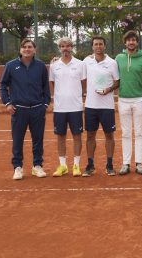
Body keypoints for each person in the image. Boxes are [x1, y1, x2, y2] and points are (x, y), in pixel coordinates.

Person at [0, 39, 51, 180]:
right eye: (24, 47)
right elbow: (3, 85)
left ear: (34, 50)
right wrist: (7, 103)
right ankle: (18, 168)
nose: (27, 49)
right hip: (19, 110)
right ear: (20, 50)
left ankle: (37, 166)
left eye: (30, 47)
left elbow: (46, 86)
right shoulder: (11, 66)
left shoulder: (40, 66)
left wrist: (45, 104)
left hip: (37, 110)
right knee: (17, 140)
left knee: (38, 140)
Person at [115, 30, 142, 175]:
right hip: (123, 100)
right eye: (128, 40)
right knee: (125, 133)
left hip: (139, 101)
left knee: (139, 133)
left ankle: (139, 163)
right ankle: (125, 164)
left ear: (137, 42)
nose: (131, 42)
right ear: (125, 43)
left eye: (134, 40)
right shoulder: (118, 58)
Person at [82, 36, 120, 177]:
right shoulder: (87, 61)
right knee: (90, 135)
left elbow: (117, 82)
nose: (98, 46)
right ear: (92, 47)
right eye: (95, 44)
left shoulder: (112, 63)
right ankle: (90, 165)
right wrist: (56, 60)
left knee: (109, 135)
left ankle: (109, 165)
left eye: (100, 44)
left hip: (107, 106)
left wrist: (108, 90)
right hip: (91, 106)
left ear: (104, 46)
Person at [49, 37, 86, 177]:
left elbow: (83, 83)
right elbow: (53, 84)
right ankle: (63, 165)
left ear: (72, 47)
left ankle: (76, 165)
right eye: (62, 46)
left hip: (76, 107)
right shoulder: (54, 66)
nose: (65, 48)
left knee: (77, 136)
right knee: (61, 137)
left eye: (68, 46)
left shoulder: (80, 64)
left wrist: (76, 95)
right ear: (59, 48)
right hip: (59, 108)